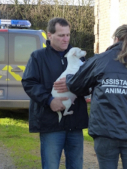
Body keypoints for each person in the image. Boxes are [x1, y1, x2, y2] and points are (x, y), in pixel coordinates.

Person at [64, 24, 127, 169]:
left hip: (105, 132)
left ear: (116, 39)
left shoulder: (100, 60)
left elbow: (76, 85)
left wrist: (68, 78)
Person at [21, 17, 89, 169]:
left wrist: (74, 84)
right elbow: (29, 83)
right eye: (61, 35)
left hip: (75, 122)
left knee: (76, 165)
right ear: (49, 35)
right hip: (50, 122)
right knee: (51, 165)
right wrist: (49, 100)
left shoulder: (79, 57)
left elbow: (89, 85)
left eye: (68, 35)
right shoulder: (38, 57)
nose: (66, 39)